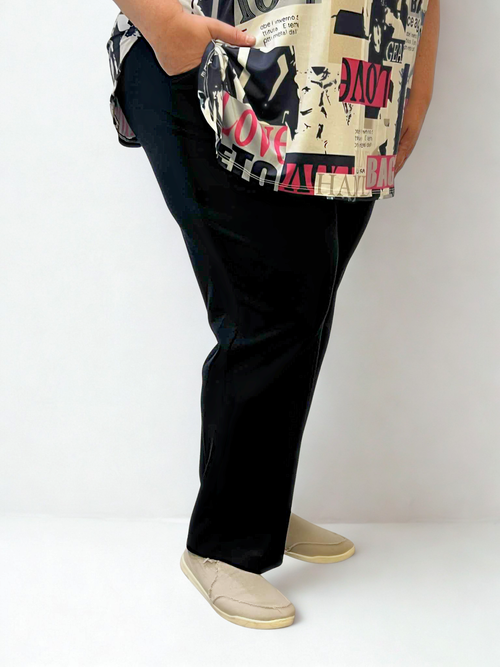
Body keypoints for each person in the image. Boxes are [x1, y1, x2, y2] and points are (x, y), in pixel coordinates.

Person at [106, 0, 439, 629]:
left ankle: (256, 501)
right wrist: (166, 28)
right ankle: (222, 544)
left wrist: (415, 83)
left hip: (359, 78)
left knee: (304, 302)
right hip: (224, 56)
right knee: (271, 306)